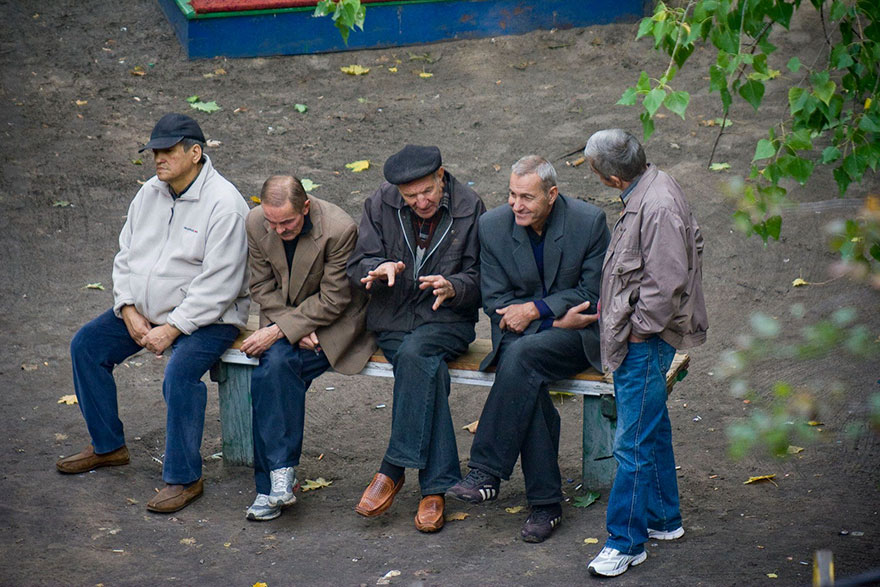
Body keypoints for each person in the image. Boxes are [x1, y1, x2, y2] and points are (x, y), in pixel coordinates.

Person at [56, 113, 250, 513]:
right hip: (143, 311)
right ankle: (108, 447)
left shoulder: (225, 204)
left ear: (195, 153)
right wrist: (126, 306)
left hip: (210, 319)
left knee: (180, 374)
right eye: (154, 151)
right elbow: (125, 253)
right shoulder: (149, 192)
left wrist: (174, 328)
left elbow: (221, 284)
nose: (157, 158)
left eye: (166, 150)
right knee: (86, 347)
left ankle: (185, 478)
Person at [446, 155, 610, 542]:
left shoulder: (589, 223)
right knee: (525, 374)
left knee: (520, 358)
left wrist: (539, 312)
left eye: (527, 197)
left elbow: (591, 293)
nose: (516, 205)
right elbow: (496, 301)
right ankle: (545, 504)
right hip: (518, 333)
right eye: (511, 194)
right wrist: (551, 316)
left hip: (575, 336)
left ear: (552, 194)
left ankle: (486, 471)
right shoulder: (493, 225)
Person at [582, 129, 707, 577]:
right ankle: (663, 520)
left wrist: (636, 334)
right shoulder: (650, 188)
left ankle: (625, 542)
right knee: (650, 427)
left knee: (630, 443)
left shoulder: (655, 207)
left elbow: (664, 286)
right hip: (642, 337)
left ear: (611, 178)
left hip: (643, 342)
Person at [346, 144, 485, 532]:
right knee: (425, 369)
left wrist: (454, 286)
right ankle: (435, 488)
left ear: (441, 176)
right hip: (392, 318)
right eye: (410, 196)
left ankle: (392, 467)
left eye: (427, 191)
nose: (420, 201)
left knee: (417, 353)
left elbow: (484, 278)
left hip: (446, 319)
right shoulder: (380, 203)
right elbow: (357, 262)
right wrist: (377, 267)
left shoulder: (470, 206)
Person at [241, 175, 375, 521]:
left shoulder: (339, 228)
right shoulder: (256, 222)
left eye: (287, 222)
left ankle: (269, 484)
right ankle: (278, 478)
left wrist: (280, 330)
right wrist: (289, 327)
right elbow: (261, 286)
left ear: (306, 207)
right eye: (272, 222)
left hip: (334, 324)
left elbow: (335, 299)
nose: (279, 229)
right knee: (273, 365)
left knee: (272, 369)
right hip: (285, 319)